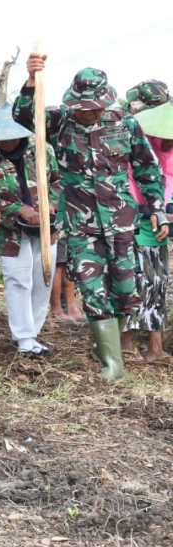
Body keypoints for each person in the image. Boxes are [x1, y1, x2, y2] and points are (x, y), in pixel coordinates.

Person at [14, 57, 168, 381]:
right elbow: (24, 117)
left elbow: (147, 167)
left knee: (126, 290)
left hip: (120, 221)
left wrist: (156, 208)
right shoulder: (59, 121)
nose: (90, 112)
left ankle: (105, 347)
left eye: (96, 107)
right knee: (93, 289)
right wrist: (30, 80)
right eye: (84, 107)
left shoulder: (124, 123)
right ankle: (113, 364)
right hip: (79, 224)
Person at [0, 106, 60, 356]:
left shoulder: (43, 151)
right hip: (9, 231)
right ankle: (24, 338)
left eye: (12, 136)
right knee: (18, 280)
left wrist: (51, 204)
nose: (8, 142)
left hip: (46, 227)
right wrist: (18, 210)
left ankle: (34, 332)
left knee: (43, 278)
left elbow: (57, 181)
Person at [121, 80, 173, 362]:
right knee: (132, 281)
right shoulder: (127, 138)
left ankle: (156, 347)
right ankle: (125, 342)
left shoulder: (167, 142)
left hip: (158, 223)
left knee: (157, 282)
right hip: (132, 220)